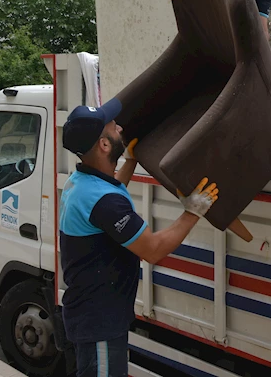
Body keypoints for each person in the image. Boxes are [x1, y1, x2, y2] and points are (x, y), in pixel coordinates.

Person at [59, 98, 218, 377]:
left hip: (91, 315)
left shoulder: (81, 181)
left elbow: (112, 190)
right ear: (104, 145)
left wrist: (130, 160)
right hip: (100, 324)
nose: (120, 127)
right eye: (113, 127)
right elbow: (153, 249)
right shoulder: (103, 201)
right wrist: (193, 212)